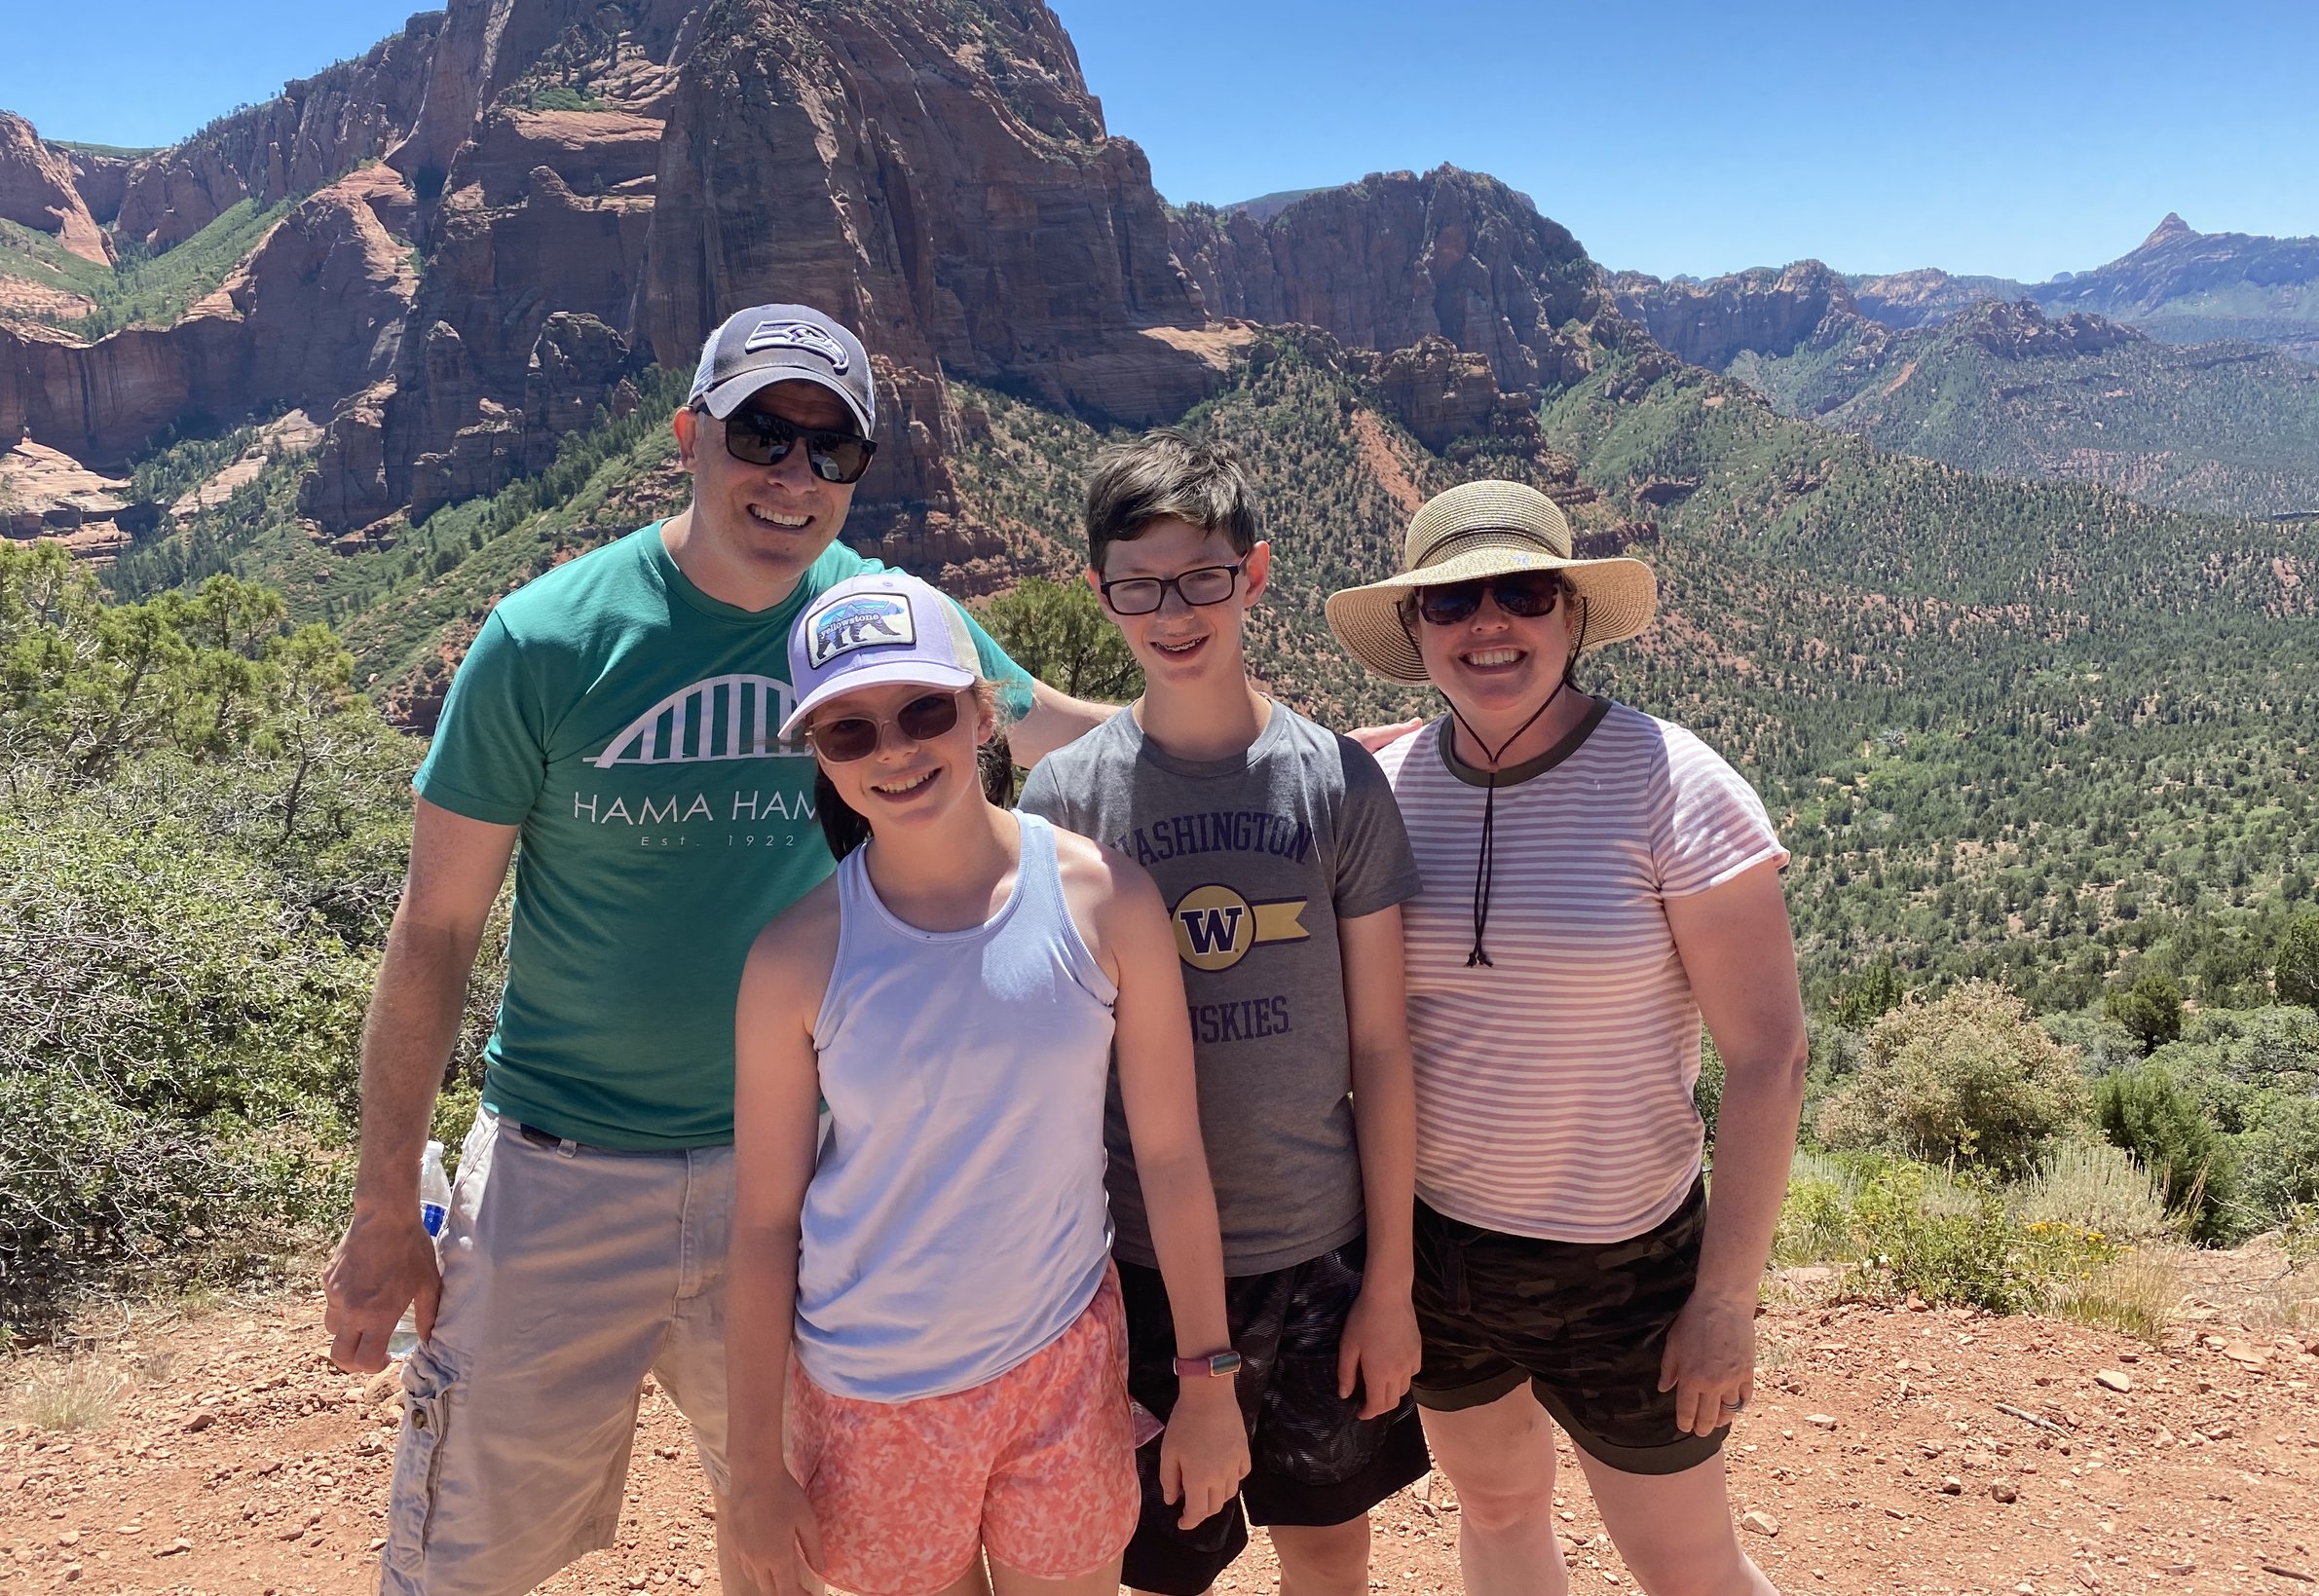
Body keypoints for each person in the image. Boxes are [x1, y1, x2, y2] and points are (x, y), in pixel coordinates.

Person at [322, 303, 1115, 1596]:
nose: (792, 476)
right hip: (557, 1168)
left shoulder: (886, 624)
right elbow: (436, 927)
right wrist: (381, 1205)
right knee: (463, 1555)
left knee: (815, 1538)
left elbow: (1058, 734)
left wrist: (1271, 748)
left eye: (830, 450)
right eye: (761, 433)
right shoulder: (544, 640)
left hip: (812, 1180)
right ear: (690, 434)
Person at [1323, 479, 1807, 1596]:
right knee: (1494, 1508)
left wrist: (1723, 1304)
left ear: (1572, 615)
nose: (1487, 622)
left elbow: (1770, 1059)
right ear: (1415, 630)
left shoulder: (1672, 784)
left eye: (1523, 591)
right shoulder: (1377, 789)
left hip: (1625, 1266)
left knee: (1683, 1564)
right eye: (1450, 602)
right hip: (1433, 1249)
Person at [725, 573, 1249, 1596]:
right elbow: (761, 1224)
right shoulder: (794, 958)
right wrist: (753, 1466)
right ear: (822, 760)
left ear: (983, 711)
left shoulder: (1104, 898)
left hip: (1060, 1368)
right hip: (870, 1396)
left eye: (924, 711)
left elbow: (1173, 1157)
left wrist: (1208, 1376)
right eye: (848, 733)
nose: (894, 751)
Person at [1018, 433, 1430, 1596]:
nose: (1172, 610)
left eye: (1201, 576)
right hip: (1133, 1263)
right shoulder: (1065, 798)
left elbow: (1382, 1048)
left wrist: (1389, 1285)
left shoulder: (1333, 783)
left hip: (1319, 1253)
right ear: (1099, 594)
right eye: (1137, 584)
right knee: (1158, 1562)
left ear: (1252, 575)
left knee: (1330, 1545)